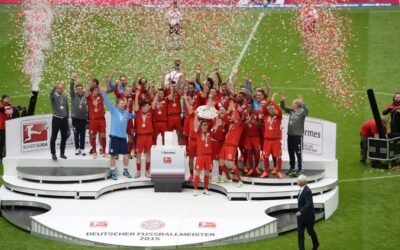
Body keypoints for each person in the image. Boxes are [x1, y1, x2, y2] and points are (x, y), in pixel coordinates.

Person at [101, 88, 135, 180]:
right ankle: (113, 172)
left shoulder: (127, 113)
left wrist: (139, 111)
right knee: (113, 156)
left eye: (124, 103)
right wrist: (103, 93)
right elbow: (107, 102)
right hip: (114, 137)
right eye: (121, 103)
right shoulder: (113, 110)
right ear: (117, 104)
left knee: (126, 156)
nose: (123, 104)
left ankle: (126, 170)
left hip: (123, 138)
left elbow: (135, 115)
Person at [281, 95, 308, 177]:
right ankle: (292, 168)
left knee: (299, 153)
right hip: (290, 136)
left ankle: (300, 169)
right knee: (291, 152)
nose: (291, 104)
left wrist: (302, 103)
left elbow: (306, 110)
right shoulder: (291, 111)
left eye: (293, 103)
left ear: (297, 105)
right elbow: (283, 107)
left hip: (298, 136)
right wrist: (282, 101)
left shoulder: (302, 111)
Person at [261, 95, 283, 178]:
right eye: (270, 109)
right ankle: (266, 171)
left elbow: (279, 110)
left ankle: (279, 171)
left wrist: (273, 103)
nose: (272, 110)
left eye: (273, 109)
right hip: (267, 140)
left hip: (276, 140)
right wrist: (270, 101)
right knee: (265, 156)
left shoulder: (278, 117)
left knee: (278, 156)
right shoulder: (266, 116)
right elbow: (263, 108)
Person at [296, 174, 319, 250]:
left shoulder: (307, 191)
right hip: (300, 218)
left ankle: (316, 244)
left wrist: (301, 211)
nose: (297, 181)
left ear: (301, 182)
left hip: (308, 217)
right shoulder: (301, 190)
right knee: (300, 234)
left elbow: (309, 203)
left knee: (310, 232)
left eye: (298, 180)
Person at [134, 90, 153, 178]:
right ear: (142, 107)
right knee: (138, 154)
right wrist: (136, 96)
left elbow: (153, 104)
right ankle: (138, 171)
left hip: (148, 136)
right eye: (146, 106)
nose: (148, 107)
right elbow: (136, 106)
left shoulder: (150, 112)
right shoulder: (138, 113)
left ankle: (147, 171)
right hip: (140, 137)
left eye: (148, 106)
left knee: (148, 153)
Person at [49, 82, 70, 161]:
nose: (62, 89)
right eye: (60, 88)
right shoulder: (53, 96)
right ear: (56, 89)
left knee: (64, 137)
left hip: (64, 119)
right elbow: (51, 93)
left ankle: (62, 153)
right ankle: (53, 153)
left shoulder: (64, 96)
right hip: (56, 119)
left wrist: (67, 117)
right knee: (54, 137)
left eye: (62, 88)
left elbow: (67, 107)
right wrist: (54, 86)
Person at [193, 115, 213, 196]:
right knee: (197, 172)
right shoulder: (198, 132)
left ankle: (205, 189)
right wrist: (196, 116)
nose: (205, 126)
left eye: (206, 125)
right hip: (200, 156)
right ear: (201, 126)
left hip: (208, 156)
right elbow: (195, 125)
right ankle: (195, 190)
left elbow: (215, 126)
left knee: (207, 173)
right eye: (204, 125)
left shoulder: (210, 133)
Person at [87, 85, 107, 158]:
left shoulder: (101, 96)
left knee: (103, 135)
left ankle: (104, 151)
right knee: (92, 136)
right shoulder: (89, 97)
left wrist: (102, 86)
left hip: (101, 119)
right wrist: (88, 85)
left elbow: (105, 90)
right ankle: (94, 151)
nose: (96, 92)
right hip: (93, 120)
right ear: (91, 92)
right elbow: (86, 93)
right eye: (95, 91)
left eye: (97, 90)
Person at [70, 76, 88, 156]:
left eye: (81, 89)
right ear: (76, 90)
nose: (80, 90)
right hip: (75, 119)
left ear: (82, 89)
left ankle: (82, 148)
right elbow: (71, 88)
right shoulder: (73, 96)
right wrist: (72, 81)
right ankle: (77, 148)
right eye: (78, 89)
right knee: (76, 134)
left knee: (83, 134)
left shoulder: (85, 97)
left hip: (83, 119)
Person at [0, 95, 19, 162]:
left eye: (8, 98)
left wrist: (20, 107)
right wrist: (11, 106)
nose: (8, 99)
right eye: (6, 98)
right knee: (2, 142)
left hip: (10, 127)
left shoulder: (10, 105)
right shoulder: (1, 105)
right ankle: (0, 156)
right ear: (2, 99)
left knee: (10, 142)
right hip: (2, 127)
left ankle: (6, 155)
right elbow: (2, 109)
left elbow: (16, 108)